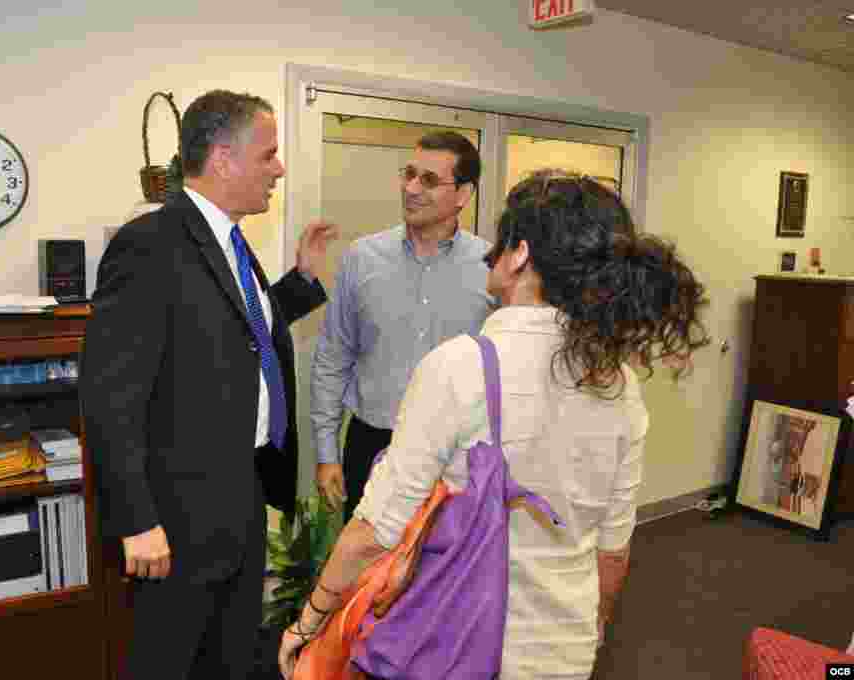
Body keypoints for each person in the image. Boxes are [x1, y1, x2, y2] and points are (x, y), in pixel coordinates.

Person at [280, 170, 709, 680]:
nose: (492, 254)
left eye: (502, 241)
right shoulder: (618, 383)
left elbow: (375, 531)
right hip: (564, 652)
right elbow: (613, 551)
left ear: (521, 255)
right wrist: (593, 628)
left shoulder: (462, 366)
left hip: (455, 649)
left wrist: (308, 622)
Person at [81, 89, 337, 680]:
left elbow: (237, 326)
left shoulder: (231, 241)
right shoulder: (151, 244)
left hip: (240, 495)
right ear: (223, 159)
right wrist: (137, 520)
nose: (278, 168)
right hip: (175, 514)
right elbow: (109, 395)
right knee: (168, 661)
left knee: (228, 659)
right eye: (268, 154)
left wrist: (299, 283)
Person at [311, 131, 494, 519]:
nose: (411, 188)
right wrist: (327, 453)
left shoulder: (489, 269)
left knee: (447, 575)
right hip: (373, 445)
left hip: (456, 454)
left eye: (428, 180)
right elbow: (333, 357)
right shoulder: (362, 258)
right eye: (409, 174)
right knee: (365, 574)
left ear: (463, 195)